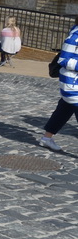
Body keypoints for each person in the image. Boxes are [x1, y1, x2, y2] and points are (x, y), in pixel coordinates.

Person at [39, 17, 78, 152]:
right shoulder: (75, 37)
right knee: (67, 105)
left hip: (74, 84)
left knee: (64, 109)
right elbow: (64, 59)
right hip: (72, 85)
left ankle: (47, 138)